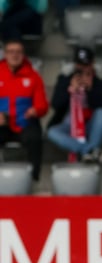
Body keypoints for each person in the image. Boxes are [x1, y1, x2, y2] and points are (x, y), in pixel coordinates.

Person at [46, 47, 102, 164]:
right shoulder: (64, 79)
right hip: (69, 123)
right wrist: (69, 89)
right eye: (79, 65)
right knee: (52, 132)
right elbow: (56, 105)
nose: (82, 69)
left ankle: (89, 153)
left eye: (86, 65)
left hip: (91, 124)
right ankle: (90, 151)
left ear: (92, 64)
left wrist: (91, 89)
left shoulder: (100, 82)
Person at [0, 38, 45, 182]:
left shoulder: (33, 76)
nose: (15, 55)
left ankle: (33, 179)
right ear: (5, 54)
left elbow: (43, 105)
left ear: (23, 55)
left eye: (18, 52)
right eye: (11, 52)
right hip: (3, 124)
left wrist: (35, 110)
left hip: (25, 123)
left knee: (34, 138)